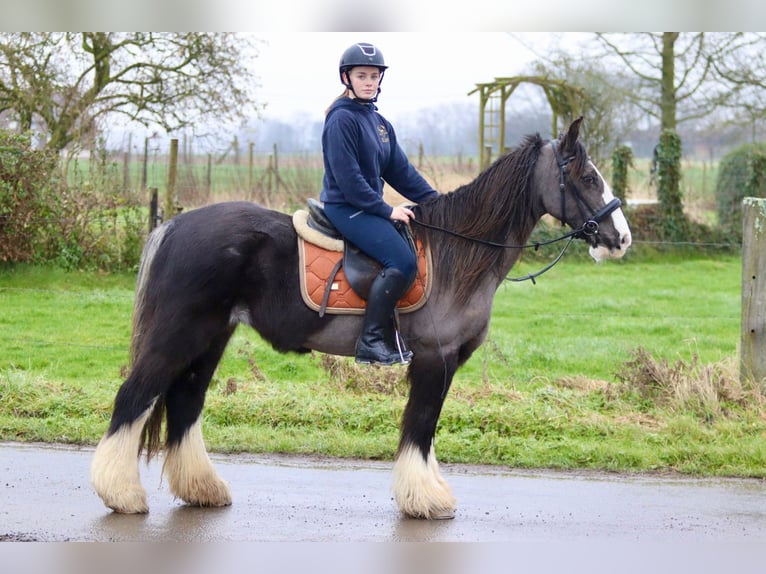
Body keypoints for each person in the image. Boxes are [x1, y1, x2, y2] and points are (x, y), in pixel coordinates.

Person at [320, 41, 440, 366]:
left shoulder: (380, 124)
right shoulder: (341, 120)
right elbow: (350, 182)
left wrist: (440, 204)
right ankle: (371, 341)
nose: (369, 81)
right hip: (346, 207)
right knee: (402, 262)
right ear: (347, 78)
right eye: (362, 75)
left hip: (367, 205)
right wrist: (387, 210)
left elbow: (401, 172)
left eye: (374, 76)